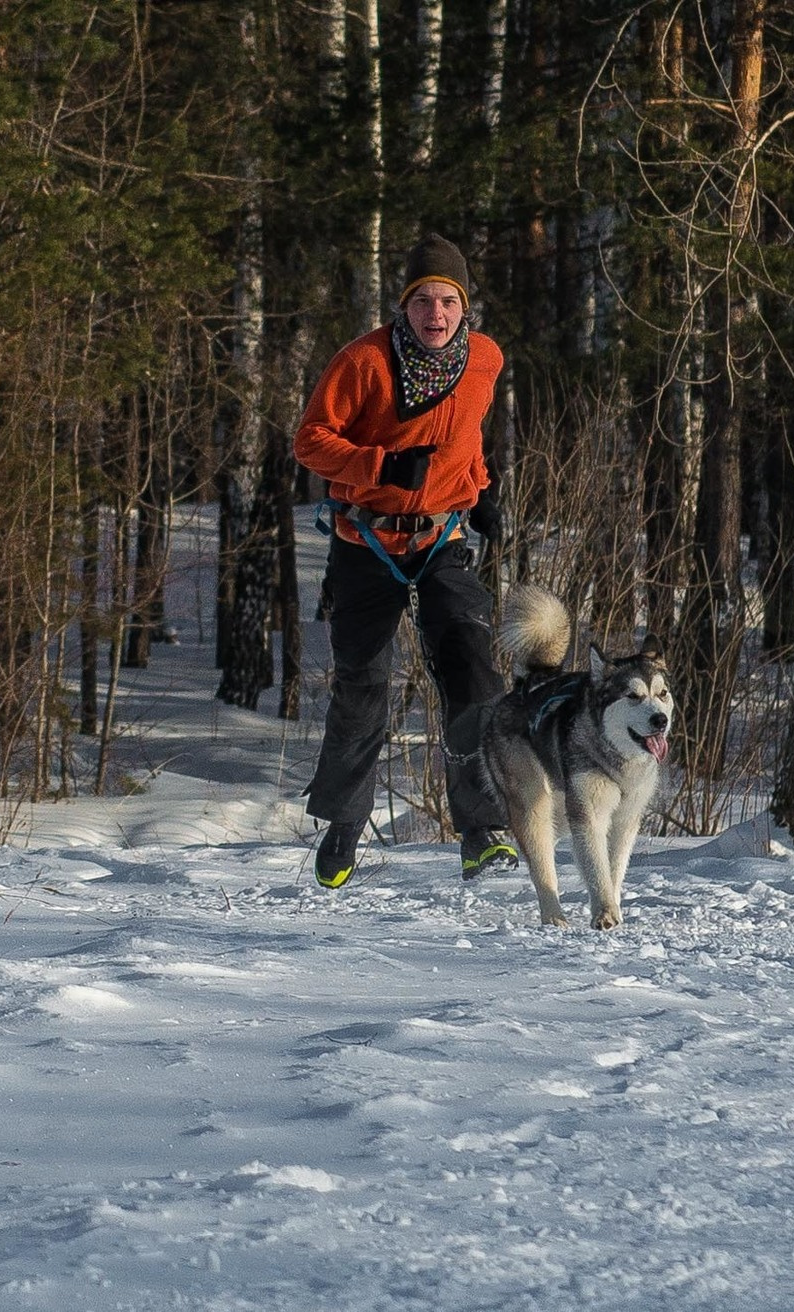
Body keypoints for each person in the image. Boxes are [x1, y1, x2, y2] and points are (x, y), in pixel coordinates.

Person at [292, 234, 516, 889]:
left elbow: (468, 436)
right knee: (363, 690)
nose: (436, 313)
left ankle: (481, 831)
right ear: (404, 305)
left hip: (442, 542)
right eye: (423, 301)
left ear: (464, 307)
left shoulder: (485, 361)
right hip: (367, 545)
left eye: (448, 300)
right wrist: (380, 464)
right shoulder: (362, 362)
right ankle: (342, 830)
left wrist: (483, 493)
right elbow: (310, 443)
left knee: (474, 673)